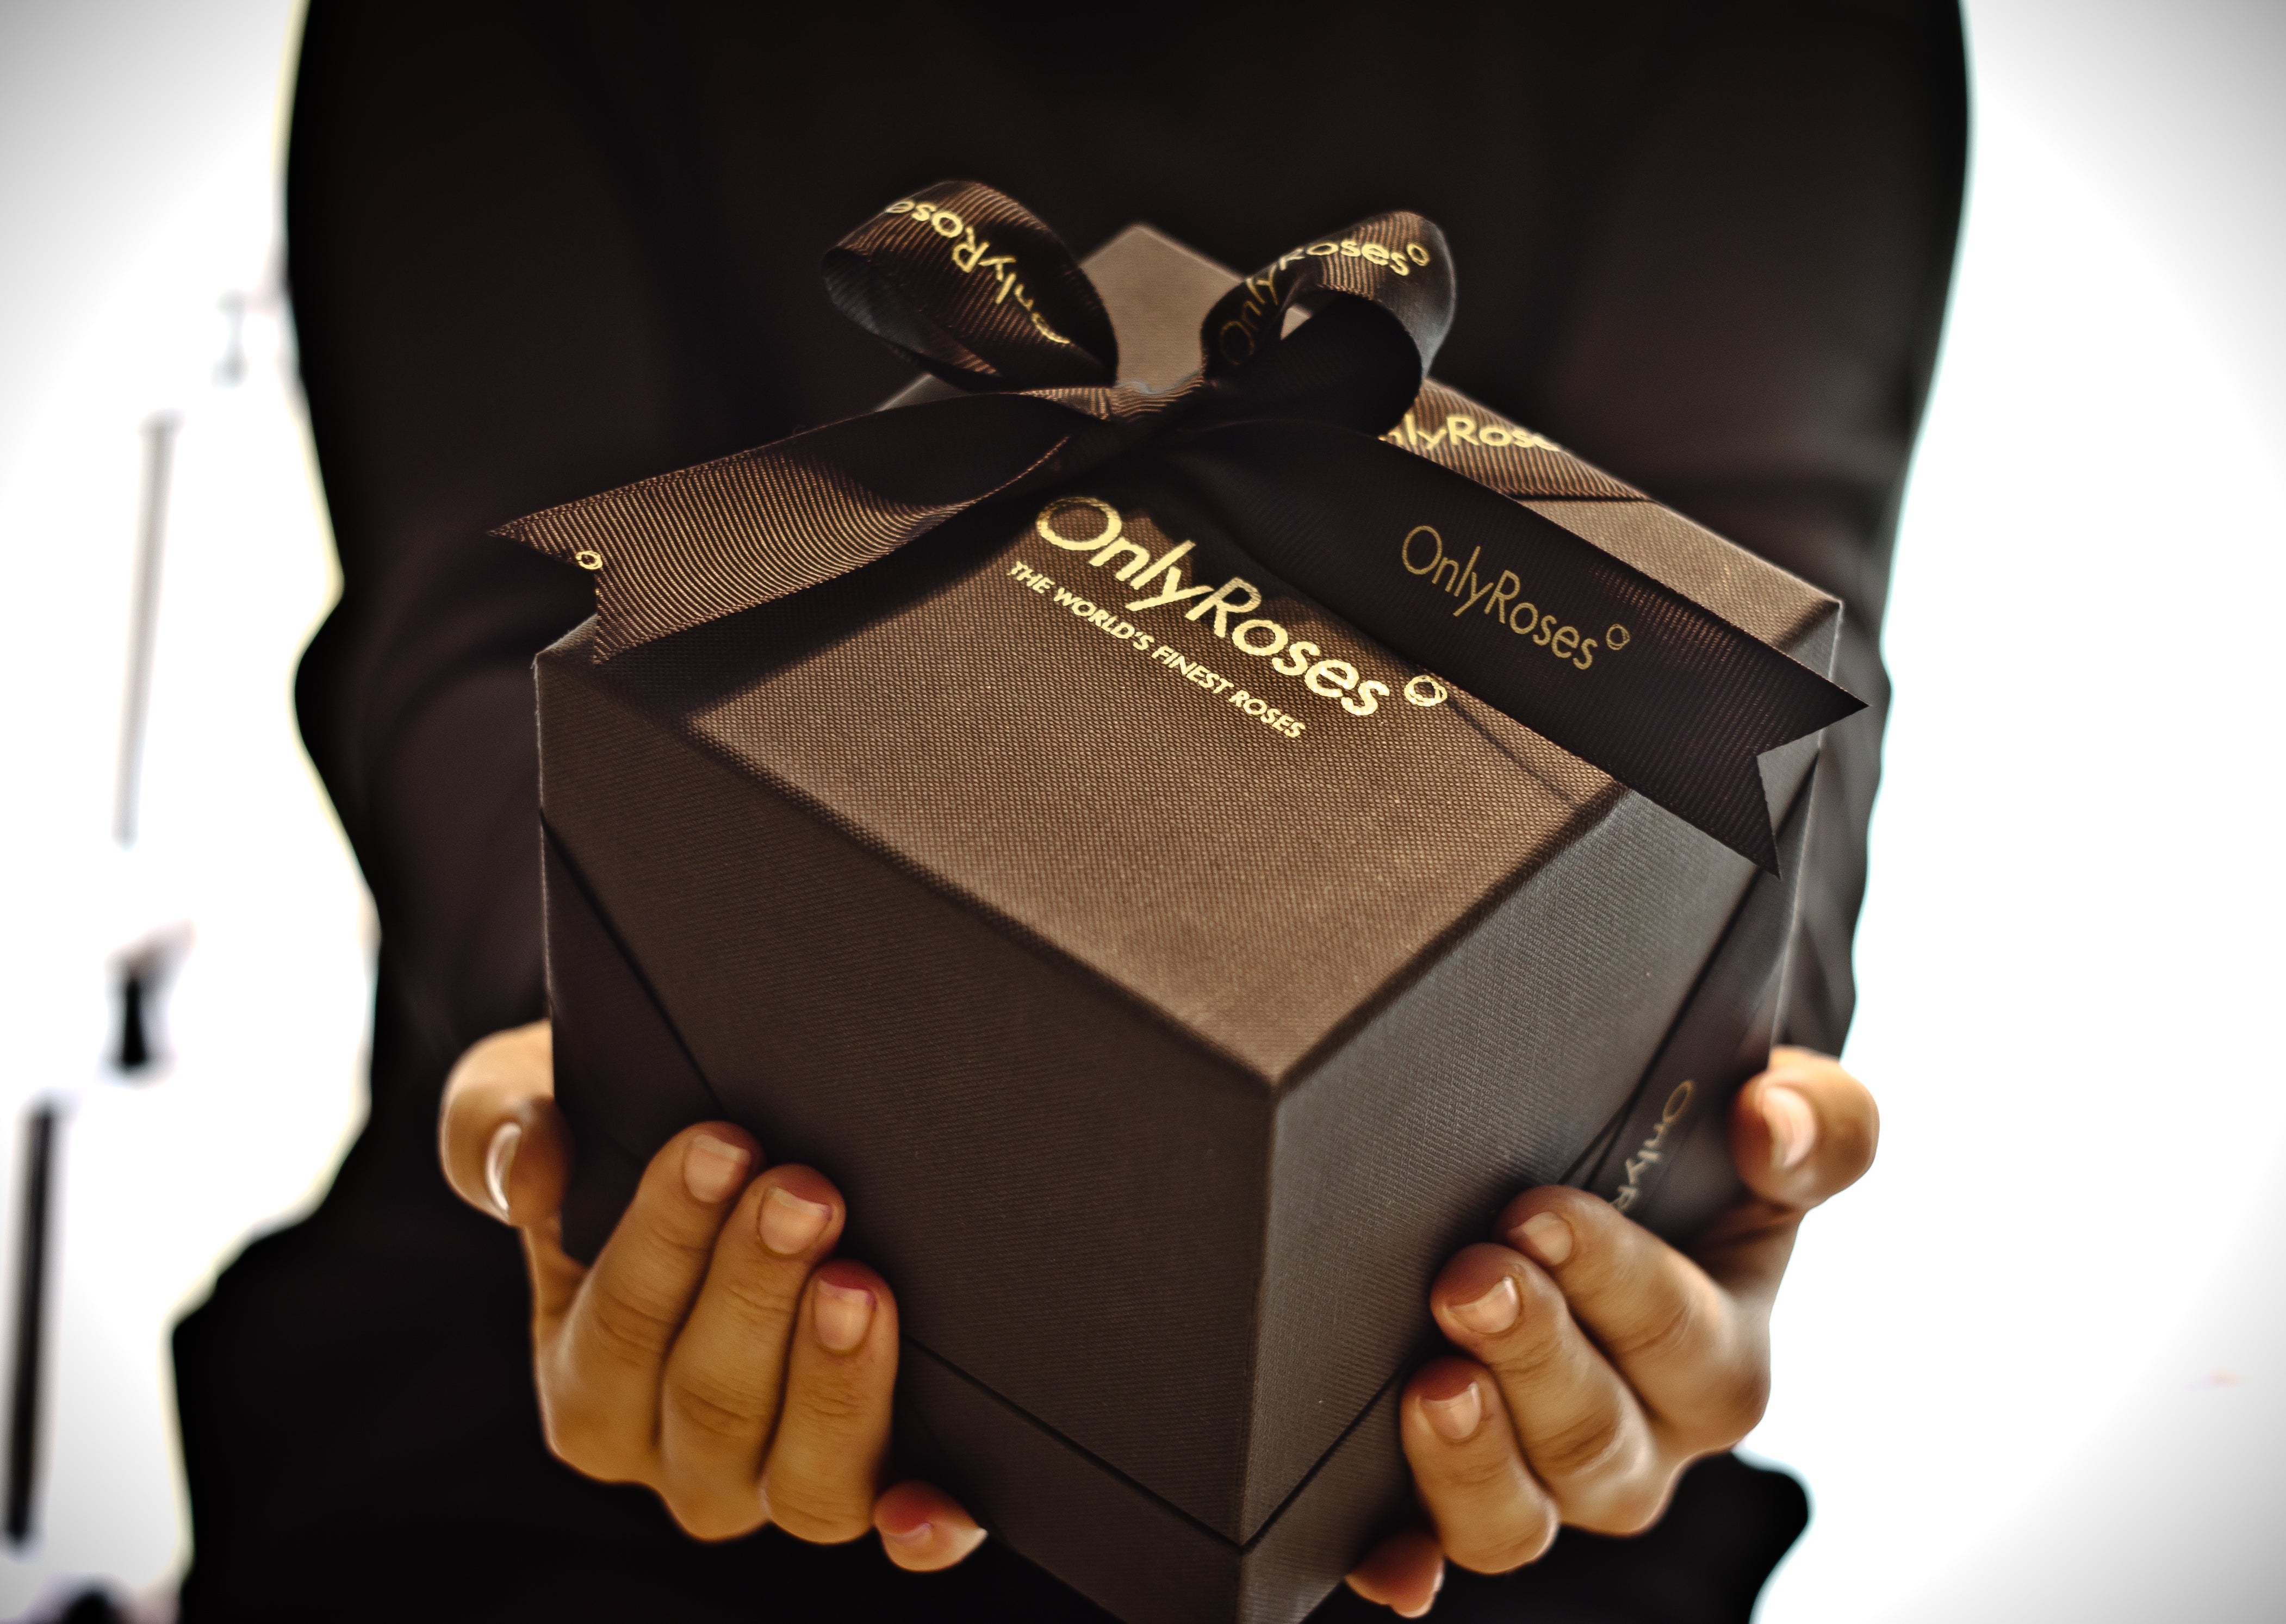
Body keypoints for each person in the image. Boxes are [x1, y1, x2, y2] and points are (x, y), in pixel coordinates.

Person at [172, 3, 1965, 1619]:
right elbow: (494, 621)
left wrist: (1690, 1160)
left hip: (1436, 1352)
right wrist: (582, 1071)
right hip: (606, 1295)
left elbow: (1751, 685)